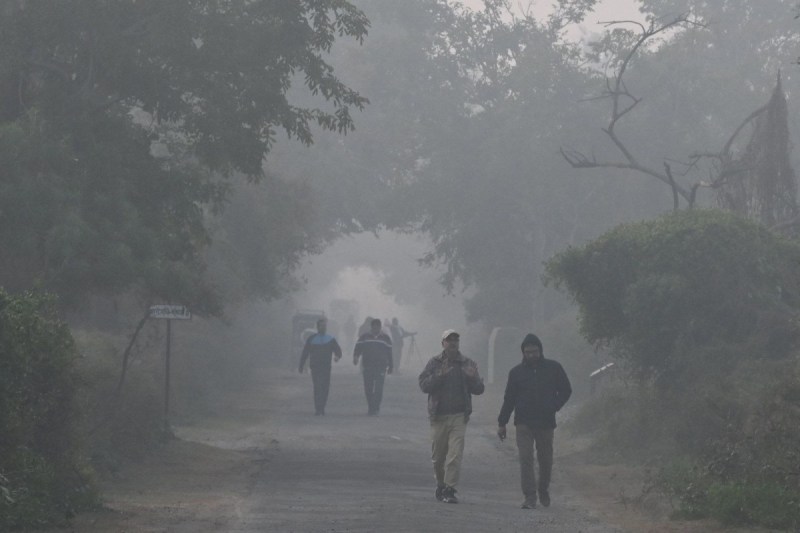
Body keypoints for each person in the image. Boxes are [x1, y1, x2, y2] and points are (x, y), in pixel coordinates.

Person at [497, 333, 572, 509]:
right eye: (527, 352)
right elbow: (509, 399)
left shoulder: (554, 368)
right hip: (523, 422)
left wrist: (554, 406)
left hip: (546, 422)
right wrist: (502, 423)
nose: (531, 355)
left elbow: (566, 390)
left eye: (534, 351)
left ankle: (543, 489)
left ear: (540, 351)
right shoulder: (516, 373)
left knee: (546, 460)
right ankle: (530, 497)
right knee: (525, 458)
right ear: (523, 352)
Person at [418, 329, 485, 504]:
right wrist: (440, 375)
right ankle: (441, 484)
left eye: (456, 340)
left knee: (455, 454)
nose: (453, 343)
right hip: (438, 416)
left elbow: (479, 389)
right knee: (438, 457)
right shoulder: (434, 363)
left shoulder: (466, 363)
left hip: (459, 416)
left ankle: (450, 489)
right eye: (449, 340)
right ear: (443, 343)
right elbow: (424, 385)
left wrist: (473, 378)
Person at [298, 318, 343, 416]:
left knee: (325, 387)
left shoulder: (330, 339)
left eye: (325, 326)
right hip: (315, 367)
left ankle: (322, 407)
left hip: (326, 367)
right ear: (317, 327)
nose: (324, 328)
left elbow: (338, 350)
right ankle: (318, 409)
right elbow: (305, 353)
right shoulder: (312, 339)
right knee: (317, 387)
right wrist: (301, 366)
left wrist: (337, 356)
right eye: (322, 326)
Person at [353, 318, 393, 415]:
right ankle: (371, 407)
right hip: (368, 366)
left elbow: (389, 353)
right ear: (371, 327)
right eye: (374, 328)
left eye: (377, 328)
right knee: (368, 388)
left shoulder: (385, 338)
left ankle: (376, 407)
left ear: (380, 327)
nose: (376, 330)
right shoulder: (364, 337)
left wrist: (391, 366)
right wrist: (356, 357)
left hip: (381, 367)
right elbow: (357, 348)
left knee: (379, 389)